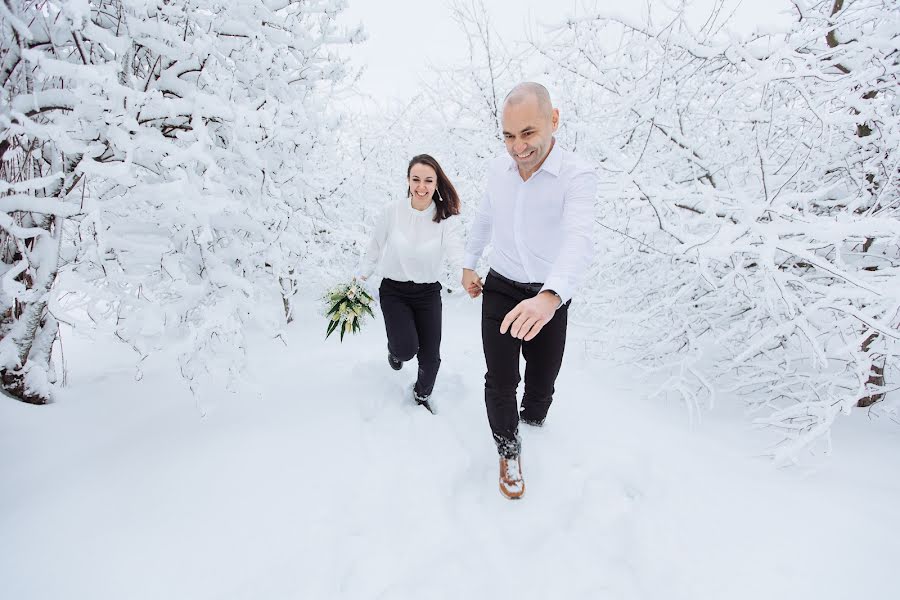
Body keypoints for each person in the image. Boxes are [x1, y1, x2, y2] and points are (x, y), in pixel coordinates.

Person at [461, 82, 598, 499]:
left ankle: (534, 423)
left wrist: (550, 297)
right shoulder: (496, 171)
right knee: (500, 378)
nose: (517, 147)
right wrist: (469, 262)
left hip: (548, 295)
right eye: (508, 135)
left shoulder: (577, 175)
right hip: (501, 286)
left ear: (553, 120)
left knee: (542, 381)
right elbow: (486, 215)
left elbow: (579, 240)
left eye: (528, 133)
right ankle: (508, 449)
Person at [358, 154, 463, 413]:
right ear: (408, 180)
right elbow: (375, 247)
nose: (422, 186)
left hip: (428, 293)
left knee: (431, 358)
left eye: (428, 180)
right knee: (405, 350)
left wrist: (466, 275)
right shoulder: (392, 212)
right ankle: (395, 352)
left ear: (437, 183)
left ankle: (421, 395)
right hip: (394, 291)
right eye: (416, 179)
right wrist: (361, 275)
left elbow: (456, 252)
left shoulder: (445, 218)